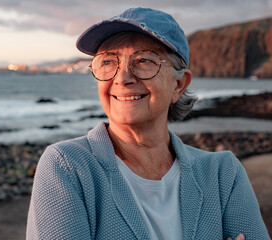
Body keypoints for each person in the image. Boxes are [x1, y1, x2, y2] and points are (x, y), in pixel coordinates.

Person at [26, 7, 269, 239]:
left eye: (143, 61)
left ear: (179, 85)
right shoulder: (68, 167)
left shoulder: (222, 175)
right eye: (108, 62)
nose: (122, 78)